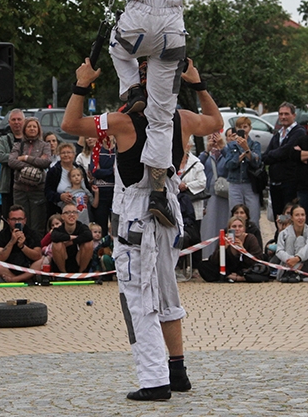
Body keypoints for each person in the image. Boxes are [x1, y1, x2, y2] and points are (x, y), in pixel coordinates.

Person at [60, 56, 221, 402]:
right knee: (166, 294)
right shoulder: (183, 119)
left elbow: (70, 123)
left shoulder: (124, 121)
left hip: (138, 221)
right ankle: (177, 371)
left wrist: (82, 83)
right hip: (167, 219)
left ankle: (154, 379)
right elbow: (216, 121)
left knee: (139, 300)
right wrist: (198, 82)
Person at [88, 0, 189, 229]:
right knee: (163, 117)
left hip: (139, 24)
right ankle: (160, 189)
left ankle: (132, 87)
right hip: (172, 32)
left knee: (118, 46)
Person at [8, 117, 52, 232]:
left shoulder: (45, 145)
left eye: (34, 126)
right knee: (20, 223)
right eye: (29, 126)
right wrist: (34, 165)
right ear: (24, 129)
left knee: (37, 224)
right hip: (20, 190)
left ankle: (37, 248)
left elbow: (46, 162)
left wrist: (26, 158)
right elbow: (11, 161)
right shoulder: (18, 145)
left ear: (38, 129)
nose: (32, 129)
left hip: (38, 190)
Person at [198, 213, 264, 283]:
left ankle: (240, 278)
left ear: (244, 228)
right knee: (203, 265)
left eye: (240, 226)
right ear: (229, 229)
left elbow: (257, 259)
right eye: (234, 226)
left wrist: (243, 250)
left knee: (261, 270)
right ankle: (228, 276)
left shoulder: (250, 238)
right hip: (228, 268)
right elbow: (214, 260)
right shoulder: (225, 238)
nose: (237, 229)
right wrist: (223, 248)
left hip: (245, 268)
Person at [222, 116, 262, 226]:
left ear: (250, 128)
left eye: (245, 127)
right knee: (235, 216)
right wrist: (238, 159)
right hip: (235, 183)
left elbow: (257, 163)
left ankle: (253, 239)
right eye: (240, 127)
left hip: (250, 183)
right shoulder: (231, 145)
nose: (243, 129)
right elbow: (228, 165)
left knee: (253, 215)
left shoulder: (255, 144)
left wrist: (247, 149)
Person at [199, 131, 230, 258]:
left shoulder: (226, 153)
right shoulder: (205, 155)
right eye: (210, 137)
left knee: (224, 224)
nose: (213, 140)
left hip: (223, 195)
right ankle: (208, 255)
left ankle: (224, 256)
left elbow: (231, 164)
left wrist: (222, 148)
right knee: (208, 227)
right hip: (209, 196)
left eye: (215, 137)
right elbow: (198, 165)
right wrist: (207, 151)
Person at [44, 143, 87, 220]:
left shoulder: (79, 168)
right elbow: (47, 192)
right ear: (59, 155)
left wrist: (86, 197)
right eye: (63, 153)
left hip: (80, 210)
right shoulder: (54, 171)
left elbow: (86, 187)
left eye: (69, 152)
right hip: (59, 210)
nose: (66, 155)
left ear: (74, 154)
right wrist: (60, 196)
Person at [274, 204, 308, 283]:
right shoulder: (283, 233)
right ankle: (289, 271)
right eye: (297, 215)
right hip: (287, 264)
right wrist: (290, 260)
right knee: (290, 238)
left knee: (300, 239)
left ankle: (295, 272)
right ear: (292, 217)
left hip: (305, 265)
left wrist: (297, 258)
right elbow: (279, 250)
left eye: (302, 215)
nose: (300, 218)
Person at [0, 109, 25, 218]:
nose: (16, 122)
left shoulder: (30, 140)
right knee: (8, 218)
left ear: (24, 121)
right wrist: (22, 158)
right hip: (8, 186)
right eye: (13, 120)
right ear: (9, 122)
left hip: (26, 187)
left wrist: (13, 159)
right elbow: (0, 157)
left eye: (19, 119)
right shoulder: (3, 140)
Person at [50, 202, 94, 273]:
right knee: (57, 244)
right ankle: (63, 274)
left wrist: (72, 242)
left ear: (77, 215)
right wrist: (70, 237)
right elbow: (54, 236)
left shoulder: (82, 227)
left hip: (79, 260)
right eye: (67, 212)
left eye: (74, 212)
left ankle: (81, 273)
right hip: (63, 260)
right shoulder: (58, 229)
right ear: (62, 216)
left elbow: (88, 236)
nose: (71, 215)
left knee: (89, 243)